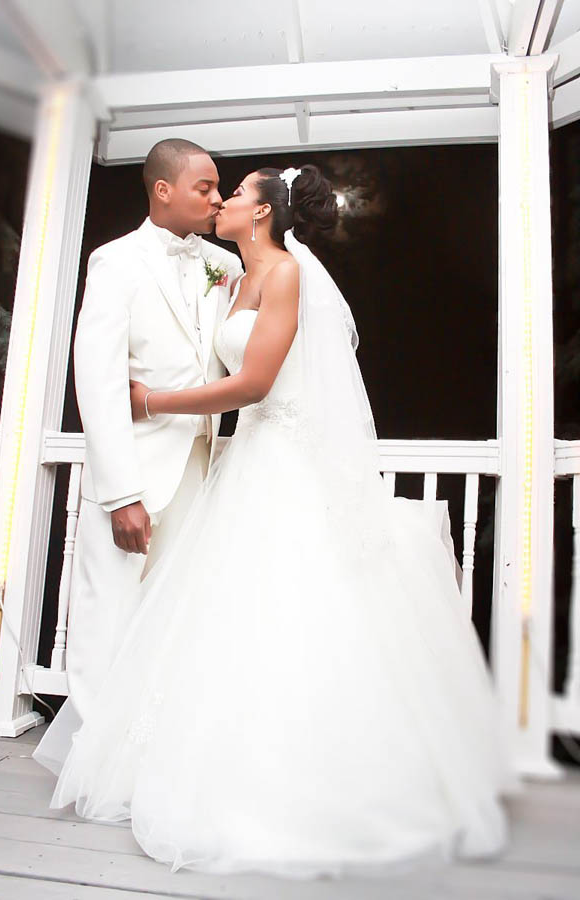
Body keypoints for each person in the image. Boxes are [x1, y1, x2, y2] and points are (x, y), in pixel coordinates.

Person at [47, 164, 520, 879]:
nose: (224, 200)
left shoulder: (290, 275)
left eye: (236, 193)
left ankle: (293, 780)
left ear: (265, 212)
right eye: (217, 189)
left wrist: (152, 402)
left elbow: (255, 383)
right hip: (242, 463)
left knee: (289, 611)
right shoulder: (232, 276)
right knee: (219, 619)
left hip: (283, 459)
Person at [32, 139, 242, 772]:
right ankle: (95, 765)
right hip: (136, 472)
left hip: (203, 468)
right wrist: (121, 493)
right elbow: (98, 382)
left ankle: (152, 760)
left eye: (220, 188)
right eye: (205, 187)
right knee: (108, 615)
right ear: (163, 189)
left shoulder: (223, 264)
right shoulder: (115, 261)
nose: (217, 198)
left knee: (173, 617)